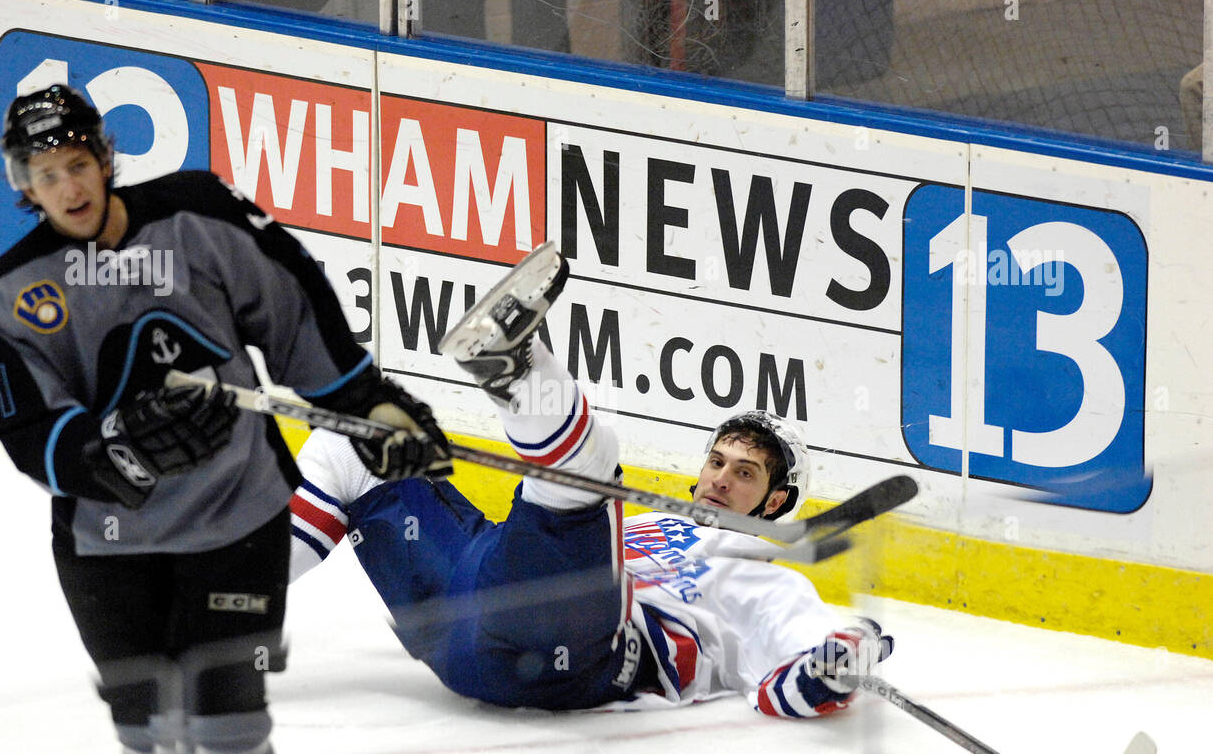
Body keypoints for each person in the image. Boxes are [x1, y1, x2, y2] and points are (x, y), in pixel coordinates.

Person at [0, 84, 450, 754]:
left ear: (103, 157)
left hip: (239, 521)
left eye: (76, 163)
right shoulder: (10, 292)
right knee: (147, 725)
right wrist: (116, 453)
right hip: (109, 542)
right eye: (45, 175)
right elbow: (29, 428)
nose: (67, 187)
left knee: (230, 707)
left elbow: (295, 312)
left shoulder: (201, 214)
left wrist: (370, 406)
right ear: (25, 188)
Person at [291, 242, 893, 718]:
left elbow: (784, 689)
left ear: (776, 502)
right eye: (717, 462)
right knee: (359, 443)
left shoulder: (764, 582)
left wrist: (839, 657)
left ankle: (517, 368)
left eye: (745, 473)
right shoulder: (647, 522)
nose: (720, 479)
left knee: (592, 468)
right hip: (456, 612)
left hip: (568, 654)